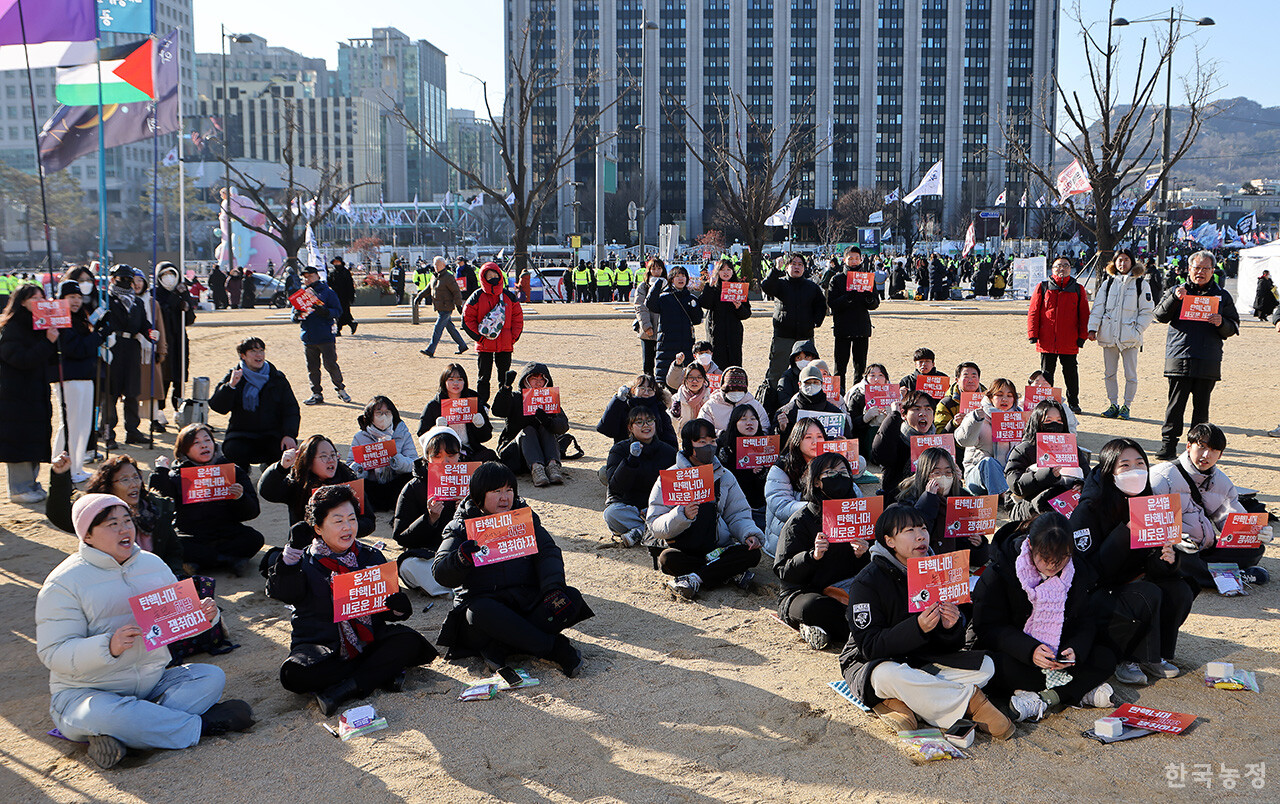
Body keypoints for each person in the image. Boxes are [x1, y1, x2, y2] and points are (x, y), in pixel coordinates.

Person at [36, 493, 253, 769]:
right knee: (106, 715)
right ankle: (202, 725)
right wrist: (108, 646)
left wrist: (204, 617)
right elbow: (53, 653)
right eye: (112, 524)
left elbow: (175, 625)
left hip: (151, 684)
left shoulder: (153, 565)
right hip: (86, 692)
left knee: (211, 676)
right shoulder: (63, 583)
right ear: (87, 536)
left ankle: (130, 736)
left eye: (127, 520)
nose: (125, 529)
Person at [837, 504, 1014, 739]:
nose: (921, 536)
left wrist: (952, 627)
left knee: (986, 667)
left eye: (923, 528)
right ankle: (972, 704)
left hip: (920, 660)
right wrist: (917, 627)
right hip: (873, 663)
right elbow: (869, 646)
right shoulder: (867, 582)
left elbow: (949, 646)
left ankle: (903, 701)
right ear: (890, 541)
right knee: (891, 675)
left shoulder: (937, 570)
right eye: (909, 530)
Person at [46, 453, 239, 659]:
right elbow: (60, 515)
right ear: (108, 485)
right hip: (114, 592)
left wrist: (173, 581)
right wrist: (59, 476)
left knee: (197, 599)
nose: (133, 484)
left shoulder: (156, 508)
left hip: (154, 585)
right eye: (125, 479)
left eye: (136, 477)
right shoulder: (94, 515)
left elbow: (174, 551)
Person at [267, 484, 436, 716]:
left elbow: (386, 607)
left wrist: (397, 610)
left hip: (368, 643)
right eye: (338, 521)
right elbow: (284, 592)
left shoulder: (371, 556)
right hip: (324, 647)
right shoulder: (302, 562)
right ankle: (378, 674)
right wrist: (292, 552)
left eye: (352, 519)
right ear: (317, 527)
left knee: (409, 641)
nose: (347, 527)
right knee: (293, 675)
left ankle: (345, 689)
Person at [432, 461, 593, 675]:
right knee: (479, 613)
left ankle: (501, 647)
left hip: (524, 602)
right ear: (479, 495)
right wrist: (461, 558)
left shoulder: (524, 518)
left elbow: (548, 553)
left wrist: (552, 588)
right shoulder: (461, 526)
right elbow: (440, 571)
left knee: (569, 598)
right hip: (486, 612)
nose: (504, 497)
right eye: (496, 491)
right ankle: (553, 648)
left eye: (509, 490)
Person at [1070, 438, 1195, 687]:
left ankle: (1156, 653)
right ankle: (1128, 657)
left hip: (1133, 579)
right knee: (1146, 593)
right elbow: (1086, 570)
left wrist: (1167, 559)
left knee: (1180, 588)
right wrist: (1126, 533)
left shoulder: (1151, 502)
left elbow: (1152, 561)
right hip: (1096, 593)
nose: (1135, 471)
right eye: (1125, 466)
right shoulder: (1089, 509)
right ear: (1109, 471)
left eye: (1140, 464)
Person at [971, 512, 1116, 723]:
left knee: (1105, 656)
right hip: (1016, 654)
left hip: (1057, 656)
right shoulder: (1001, 570)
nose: (1052, 565)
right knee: (993, 668)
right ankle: (1077, 690)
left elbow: (1085, 621)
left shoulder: (1077, 571)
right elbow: (987, 627)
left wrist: (1074, 650)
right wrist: (1029, 650)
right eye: (1045, 557)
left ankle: (1047, 698)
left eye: (1061, 559)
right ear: (1030, 545)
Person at [645, 418, 764, 600]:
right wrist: (681, 514)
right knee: (667, 560)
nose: (709, 446)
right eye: (701, 442)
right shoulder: (670, 477)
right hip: (684, 549)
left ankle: (695, 578)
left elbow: (737, 513)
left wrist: (749, 534)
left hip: (718, 547)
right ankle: (725, 572)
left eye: (712, 441)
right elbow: (655, 523)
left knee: (752, 554)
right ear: (688, 445)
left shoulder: (724, 476)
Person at [1150, 423, 1270, 587]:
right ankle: (1230, 576)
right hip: (1177, 549)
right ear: (1188, 446)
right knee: (1170, 559)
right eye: (1202, 447)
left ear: (1220, 455)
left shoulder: (1220, 481)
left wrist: (1256, 532)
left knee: (1254, 548)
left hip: (1205, 548)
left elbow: (1232, 521)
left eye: (1214, 450)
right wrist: (1174, 541)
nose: (1206, 455)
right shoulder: (1161, 477)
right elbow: (1149, 526)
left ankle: (1207, 573)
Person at [775, 452, 871, 650]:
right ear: (817, 482)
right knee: (813, 607)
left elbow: (872, 567)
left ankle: (838, 631)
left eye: (844, 472)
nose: (839, 476)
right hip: (807, 592)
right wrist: (812, 556)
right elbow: (784, 571)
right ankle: (864, 636)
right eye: (830, 472)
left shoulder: (859, 515)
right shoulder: (801, 521)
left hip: (849, 589)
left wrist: (864, 554)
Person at [1151, 250, 1240, 461]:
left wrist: (1222, 323)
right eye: (1196, 268)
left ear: (1212, 271)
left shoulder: (1222, 296)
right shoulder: (1177, 291)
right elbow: (1159, 315)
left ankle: (1199, 447)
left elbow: (1233, 326)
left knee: (1201, 409)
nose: (1200, 272)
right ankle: (1168, 445)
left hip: (1208, 360)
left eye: (1205, 268)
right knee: (1175, 405)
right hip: (1179, 356)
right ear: (1189, 269)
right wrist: (1174, 298)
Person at [148, 423, 264, 575]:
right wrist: (160, 473)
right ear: (184, 449)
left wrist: (241, 498)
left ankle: (203, 563)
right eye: (196, 443)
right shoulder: (176, 475)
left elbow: (252, 512)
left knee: (254, 539)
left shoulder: (231, 470)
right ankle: (229, 560)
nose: (203, 446)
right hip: (191, 535)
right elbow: (159, 510)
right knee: (174, 544)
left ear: (214, 444)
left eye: (207, 440)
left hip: (227, 532)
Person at [392, 429, 471, 596]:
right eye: (437, 456)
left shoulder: (472, 482)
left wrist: (467, 512)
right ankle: (456, 588)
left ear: (460, 456)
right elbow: (401, 536)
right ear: (426, 460)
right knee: (408, 566)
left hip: (464, 552)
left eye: (451, 455)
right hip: (429, 555)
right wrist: (429, 519)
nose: (445, 462)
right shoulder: (413, 488)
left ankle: (457, 586)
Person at [1, 283, 60, 502]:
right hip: (15, 395)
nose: (40, 303)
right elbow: (20, 359)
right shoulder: (13, 327)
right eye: (34, 298)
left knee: (34, 437)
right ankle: (19, 488)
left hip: (35, 392)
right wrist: (47, 342)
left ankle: (31, 483)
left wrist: (51, 339)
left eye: (42, 298)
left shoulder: (39, 325)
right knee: (18, 440)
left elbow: (46, 357)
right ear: (22, 301)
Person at [209, 337, 301, 470]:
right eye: (253, 351)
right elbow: (218, 407)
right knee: (232, 450)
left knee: (284, 449)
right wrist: (231, 386)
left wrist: (289, 434)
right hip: (241, 433)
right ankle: (242, 478)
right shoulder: (234, 376)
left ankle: (272, 475)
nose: (259, 355)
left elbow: (291, 409)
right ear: (243, 356)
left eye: (261, 350)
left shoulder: (276, 377)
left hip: (272, 433)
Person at [258, 434, 376, 534]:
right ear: (308, 462)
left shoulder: (348, 480)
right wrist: (281, 467)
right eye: (323, 456)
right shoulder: (298, 484)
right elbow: (267, 491)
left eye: (333, 455)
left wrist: (345, 527)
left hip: (343, 547)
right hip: (306, 548)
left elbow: (368, 522)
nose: (331, 460)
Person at [1087, 249, 1155, 419]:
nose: (1122, 263)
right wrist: (1093, 328)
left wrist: (1137, 330)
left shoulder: (1141, 284)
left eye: (1126, 260)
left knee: (1130, 374)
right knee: (1109, 373)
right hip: (1109, 334)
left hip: (1130, 336)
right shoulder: (1108, 283)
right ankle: (1113, 404)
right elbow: (1098, 307)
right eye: (1119, 260)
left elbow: (1147, 311)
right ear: (1114, 263)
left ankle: (1127, 405)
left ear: (1132, 262)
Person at [50, 280, 106, 483]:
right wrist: (98, 336)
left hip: (84, 375)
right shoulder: (60, 319)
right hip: (69, 378)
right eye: (71, 297)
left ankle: (76, 465)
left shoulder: (79, 319)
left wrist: (97, 330)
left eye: (78, 297)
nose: (75, 301)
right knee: (71, 423)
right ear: (61, 298)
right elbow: (75, 348)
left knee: (82, 424)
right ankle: (68, 468)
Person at [896, 446, 990, 567]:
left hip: (954, 569)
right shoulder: (908, 501)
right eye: (936, 473)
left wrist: (979, 545)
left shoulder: (963, 499)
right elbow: (914, 537)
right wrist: (928, 500)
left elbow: (977, 558)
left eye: (948, 472)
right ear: (925, 475)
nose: (943, 477)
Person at [604, 406, 677, 548]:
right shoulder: (620, 450)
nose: (646, 425)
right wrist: (631, 460)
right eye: (639, 422)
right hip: (632, 507)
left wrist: (654, 507)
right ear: (630, 428)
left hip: (659, 507)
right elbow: (615, 487)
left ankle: (639, 532)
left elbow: (674, 486)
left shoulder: (668, 451)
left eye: (650, 421)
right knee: (612, 514)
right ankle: (651, 532)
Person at [1003, 400, 1088, 521]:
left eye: (1059, 421)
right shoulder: (1025, 449)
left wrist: (1081, 485)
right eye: (1048, 421)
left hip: (1067, 501)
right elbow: (1015, 484)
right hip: (1028, 503)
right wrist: (1044, 475)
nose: (1054, 425)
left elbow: (1088, 476)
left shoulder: (1072, 448)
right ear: (1037, 422)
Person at [1026, 256, 1090, 414]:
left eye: (1066, 266)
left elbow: (1084, 314)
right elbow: (1033, 312)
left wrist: (1082, 337)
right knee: (1047, 374)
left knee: (1071, 372)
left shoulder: (1078, 289)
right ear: (1052, 269)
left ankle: (1073, 402)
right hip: (1047, 340)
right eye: (1058, 266)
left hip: (1069, 340)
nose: (1062, 269)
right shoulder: (1043, 287)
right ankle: (1047, 402)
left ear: (1070, 268)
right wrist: (1033, 334)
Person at [491, 363, 569, 487]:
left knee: (546, 428)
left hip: (544, 452)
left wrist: (548, 421)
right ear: (525, 381)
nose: (538, 383)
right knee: (528, 430)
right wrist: (505, 389)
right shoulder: (516, 397)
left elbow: (563, 426)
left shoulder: (549, 399)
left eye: (541, 379)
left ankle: (553, 466)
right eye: (534, 379)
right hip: (516, 452)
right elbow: (498, 411)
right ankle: (536, 468)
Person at [99, 264, 152, 447]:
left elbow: (144, 323)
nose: (127, 282)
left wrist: (150, 332)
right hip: (112, 348)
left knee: (132, 393)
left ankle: (133, 431)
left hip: (132, 348)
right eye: (122, 278)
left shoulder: (137, 302)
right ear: (113, 279)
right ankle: (107, 433)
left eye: (129, 278)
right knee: (110, 394)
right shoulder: (106, 299)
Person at [462, 261, 524, 404]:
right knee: (483, 377)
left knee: (504, 377)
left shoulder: (509, 296)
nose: (492, 278)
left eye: (495, 274)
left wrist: (512, 338)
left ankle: (505, 403)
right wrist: (479, 338)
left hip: (505, 344)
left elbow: (518, 318)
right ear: (483, 278)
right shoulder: (476, 296)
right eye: (488, 276)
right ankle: (483, 405)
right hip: (484, 345)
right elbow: (466, 319)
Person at [760, 253, 826, 386]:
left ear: (804, 268)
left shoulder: (811, 286)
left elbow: (821, 305)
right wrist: (775, 270)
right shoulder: (780, 283)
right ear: (787, 267)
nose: (797, 267)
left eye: (800, 264)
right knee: (777, 372)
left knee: (807, 371)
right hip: (783, 336)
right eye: (793, 264)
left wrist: (815, 322)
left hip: (805, 336)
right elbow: (766, 287)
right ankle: (773, 402)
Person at [764, 419, 825, 557]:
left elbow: (853, 495)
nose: (815, 442)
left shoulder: (831, 463)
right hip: (786, 536)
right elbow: (781, 506)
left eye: (820, 436)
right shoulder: (782, 467)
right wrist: (816, 508)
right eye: (808, 437)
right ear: (797, 440)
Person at [349, 395, 419, 512]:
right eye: (379, 413)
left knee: (413, 478)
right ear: (370, 416)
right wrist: (362, 467)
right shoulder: (360, 437)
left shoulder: (402, 433)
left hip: (396, 483)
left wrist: (395, 458)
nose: (383, 417)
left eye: (387, 413)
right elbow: (350, 468)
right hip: (372, 485)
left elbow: (413, 463)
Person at [416, 363, 497, 461]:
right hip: (445, 454)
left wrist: (480, 426)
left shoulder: (473, 403)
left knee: (490, 457)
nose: (456, 383)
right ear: (444, 381)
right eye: (451, 379)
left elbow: (486, 437)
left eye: (460, 379)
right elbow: (422, 435)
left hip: (469, 451)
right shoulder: (434, 405)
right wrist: (436, 430)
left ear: (465, 382)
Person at [954, 378, 1020, 497]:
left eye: (1009, 396)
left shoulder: (1020, 418)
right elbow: (963, 441)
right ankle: (1006, 497)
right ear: (990, 397)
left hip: (1008, 475)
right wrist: (975, 420)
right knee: (989, 462)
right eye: (999, 395)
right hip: (978, 477)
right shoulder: (978, 415)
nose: (1004, 399)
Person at [295, 265, 350, 406]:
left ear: (318, 276)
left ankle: (340, 389)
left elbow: (338, 311)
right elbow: (293, 315)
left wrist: (325, 312)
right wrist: (296, 315)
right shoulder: (301, 294)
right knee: (312, 368)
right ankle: (316, 393)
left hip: (325, 336)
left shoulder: (327, 292)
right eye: (305, 277)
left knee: (330, 364)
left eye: (311, 276)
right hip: (308, 337)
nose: (308, 279)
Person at [826, 246, 881, 388]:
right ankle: (839, 395)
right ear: (844, 260)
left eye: (857, 258)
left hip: (861, 328)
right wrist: (847, 297)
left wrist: (868, 298)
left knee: (860, 367)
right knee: (840, 367)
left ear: (861, 259)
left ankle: (858, 394)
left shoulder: (868, 278)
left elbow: (875, 303)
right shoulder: (837, 279)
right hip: (843, 328)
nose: (854, 261)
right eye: (850, 258)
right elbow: (831, 303)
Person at [871, 390, 938, 505]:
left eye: (928, 409)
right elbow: (880, 456)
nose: (923, 413)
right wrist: (893, 416)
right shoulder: (897, 437)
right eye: (916, 409)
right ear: (904, 414)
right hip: (899, 500)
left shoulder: (938, 441)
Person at [645, 266, 704, 386]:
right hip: (667, 344)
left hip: (686, 344)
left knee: (686, 380)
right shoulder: (664, 297)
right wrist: (659, 283)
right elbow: (650, 304)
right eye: (677, 276)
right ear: (671, 279)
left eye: (683, 276)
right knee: (664, 381)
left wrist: (694, 307)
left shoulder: (691, 298)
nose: (681, 279)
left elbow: (697, 319)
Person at [716, 403, 771, 527]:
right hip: (730, 507)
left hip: (757, 507)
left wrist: (761, 474)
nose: (749, 423)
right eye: (743, 419)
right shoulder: (724, 445)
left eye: (753, 419)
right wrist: (725, 460)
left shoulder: (766, 444)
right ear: (734, 422)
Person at [775, 363, 854, 442]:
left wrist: (844, 442)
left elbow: (849, 440)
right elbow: (777, 446)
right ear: (800, 384)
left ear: (822, 384)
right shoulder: (786, 412)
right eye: (807, 382)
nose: (811, 385)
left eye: (815, 382)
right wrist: (781, 429)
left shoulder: (835, 412)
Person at [698, 258, 752, 370]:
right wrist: (709, 286)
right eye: (722, 270)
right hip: (716, 332)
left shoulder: (739, 288)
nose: (726, 272)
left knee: (734, 363)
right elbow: (704, 303)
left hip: (734, 333)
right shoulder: (713, 287)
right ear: (717, 272)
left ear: (733, 271)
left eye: (728, 269)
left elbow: (746, 314)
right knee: (716, 364)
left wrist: (739, 307)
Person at [596, 373, 677, 448]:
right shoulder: (624, 406)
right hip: (625, 452)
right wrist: (617, 401)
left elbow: (669, 438)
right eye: (642, 388)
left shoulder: (659, 409)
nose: (646, 392)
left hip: (654, 454)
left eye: (650, 390)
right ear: (633, 390)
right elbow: (606, 429)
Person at [154, 262, 195, 411]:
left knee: (179, 376)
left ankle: (179, 409)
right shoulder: (155, 294)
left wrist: (185, 299)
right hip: (163, 341)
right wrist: (174, 300)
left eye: (171, 274)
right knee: (163, 378)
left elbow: (190, 319)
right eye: (164, 275)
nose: (169, 278)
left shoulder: (182, 292)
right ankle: (158, 412)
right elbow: (159, 315)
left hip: (179, 341)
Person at [420, 256, 469, 357]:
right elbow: (429, 288)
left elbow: (456, 291)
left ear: (443, 265)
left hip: (446, 307)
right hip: (440, 306)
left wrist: (458, 304)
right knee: (450, 328)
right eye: (434, 264)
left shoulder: (448, 277)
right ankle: (462, 345)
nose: (436, 266)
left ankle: (430, 349)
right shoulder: (434, 276)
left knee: (437, 328)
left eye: (437, 264)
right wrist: (419, 296)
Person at [699, 366, 770, 435]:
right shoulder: (710, 406)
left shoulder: (755, 405)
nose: (736, 392)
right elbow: (702, 429)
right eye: (731, 390)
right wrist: (722, 434)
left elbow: (765, 428)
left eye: (739, 390)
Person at [844, 362, 892, 461]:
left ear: (886, 378)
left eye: (880, 375)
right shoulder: (858, 395)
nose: (876, 379)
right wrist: (865, 418)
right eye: (872, 375)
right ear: (866, 378)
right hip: (865, 435)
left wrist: (894, 415)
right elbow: (851, 422)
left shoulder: (893, 394)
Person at [634, 258, 667, 376]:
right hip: (648, 329)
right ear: (649, 270)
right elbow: (640, 306)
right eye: (653, 268)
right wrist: (647, 326)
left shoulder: (667, 285)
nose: (656, 271)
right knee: (648, 362)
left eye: (659, 268)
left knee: (663, 361)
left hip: (664, 329)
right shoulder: (643, 286)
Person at [328, 257, 358, 336]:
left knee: (343, 312)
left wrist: (351, 296)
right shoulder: (332, 272)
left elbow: (350, 285)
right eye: (335, 263)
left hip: (344, 296)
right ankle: (351, 324)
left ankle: (339, 329)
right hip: (335, 296)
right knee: (341, 313)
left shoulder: (345, 272)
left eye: (338, 262)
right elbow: (329, 283)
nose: (336, 264)